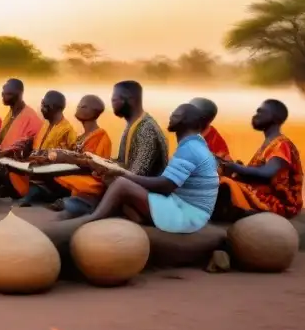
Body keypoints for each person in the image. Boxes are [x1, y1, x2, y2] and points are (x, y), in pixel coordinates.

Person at [82, 103, 219, 234]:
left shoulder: (190, 149)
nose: (171, 117)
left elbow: (165, 185)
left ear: (186, 121)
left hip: (187, 215)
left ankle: (91, 219)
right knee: (112, 180)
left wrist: (124, 174)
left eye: (176, 115)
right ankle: (138, 218)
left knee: (122, 184)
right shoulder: (194, 144)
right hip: (185, 206)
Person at [59, 81, 169, 219]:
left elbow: (136, 174)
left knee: (102, 182)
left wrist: (101, 168)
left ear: (130, 100)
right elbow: (122, 162)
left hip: (149, 195)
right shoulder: (132, 126)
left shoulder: (146, 129)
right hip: (133, 184)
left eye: (115, 100)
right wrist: (95, 161)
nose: (112, 104)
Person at [215, 100, 303, 220]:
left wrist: (236, 168)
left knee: (225, 184)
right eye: (257, 112)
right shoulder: (270, 143)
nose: (256, 115)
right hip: (264, 195)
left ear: (275, 118)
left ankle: (239, 213)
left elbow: (267, 174)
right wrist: (236, 168)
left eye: (261, 112)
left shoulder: (281, 144)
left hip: (280, 204)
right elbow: (258, 174)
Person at [7, 90, 77, 200]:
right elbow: (36, 147)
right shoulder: (45, 125)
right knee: (8, 167)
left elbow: (73, 156)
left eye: (44, 105)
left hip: (52, 175)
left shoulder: (67, 130)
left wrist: (49, 158)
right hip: (34, 169)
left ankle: (39, 192)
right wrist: (26, 145)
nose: (41, 108)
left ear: (53, 107)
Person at [49, 94, 114, 208]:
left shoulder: (102, 136)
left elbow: (97, 166)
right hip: (75, 172)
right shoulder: (81, 136)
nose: (78, 107)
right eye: (79, 105)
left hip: (91, 179)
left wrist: (68, 158)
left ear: (94, 112)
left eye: (83, 106)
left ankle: (74, 202)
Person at [0, 78, 43, 196]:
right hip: (1, 163)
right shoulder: (10, 115)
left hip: (18, 172)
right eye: (3, 93)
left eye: (7, 93)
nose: (3, 96)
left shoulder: (31, 117)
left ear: (19, 94)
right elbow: (4, 142)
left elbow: (30, 149)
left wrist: (7, 153)